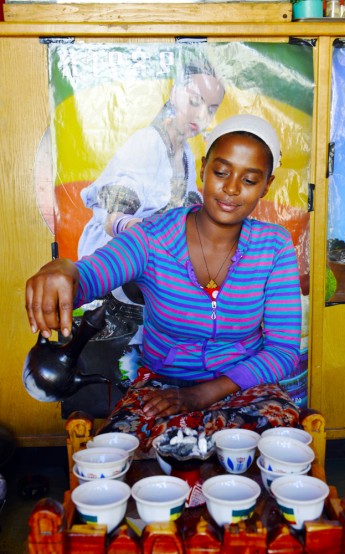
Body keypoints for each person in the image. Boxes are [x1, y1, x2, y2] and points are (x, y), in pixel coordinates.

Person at [26, 114, 302, 454]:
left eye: (249, 179)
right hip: (162, 387)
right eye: (221, 172)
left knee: (278, 442)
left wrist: (202, 394)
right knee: (119, 453)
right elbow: (89, 277)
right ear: (203, 169)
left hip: (243, 388)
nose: (231, 188)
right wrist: (64, 271)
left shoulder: (273, 246)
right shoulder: (152, 238)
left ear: (267, 185)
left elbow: (284, 350)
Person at [76, 61, 225, 380]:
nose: (200, 116)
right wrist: (149, 238)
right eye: (194, 101)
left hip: (153, 251)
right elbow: (115, 216)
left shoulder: (184, 154)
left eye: (210, 109)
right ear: (174, 95)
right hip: (116, 252)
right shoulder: (147, 142)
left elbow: (185, 209)